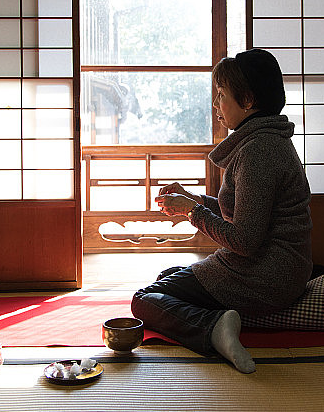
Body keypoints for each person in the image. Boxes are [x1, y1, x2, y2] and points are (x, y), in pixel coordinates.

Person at [131, 48, 313, 374]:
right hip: (281, 269)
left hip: (261, 275)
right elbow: (247, 213)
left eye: (221, 95)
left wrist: (192, 212)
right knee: (167, 277)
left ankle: (214, 328)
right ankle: (220, 320)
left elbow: (243, 239)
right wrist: (195, 199)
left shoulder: (258, 151)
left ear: (247, 99)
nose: (216, 105)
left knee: (145, 299)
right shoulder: (266, 141)